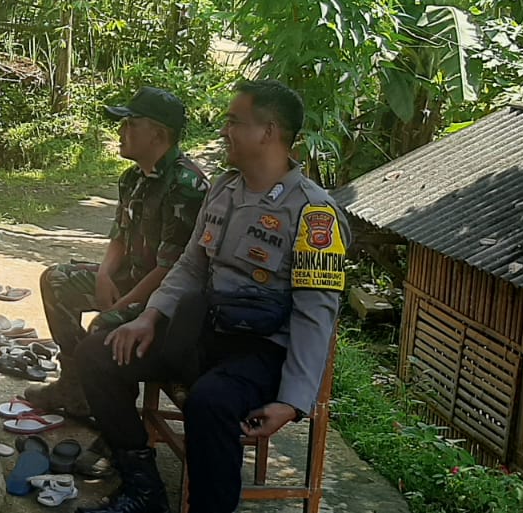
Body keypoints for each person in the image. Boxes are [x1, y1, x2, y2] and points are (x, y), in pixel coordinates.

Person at [71, 80, 347, 513]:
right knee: (98, 354)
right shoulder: (224, 189)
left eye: (234, 122)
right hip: (205, 332)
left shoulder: (314, 213)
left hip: (262, 352)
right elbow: (191, 266)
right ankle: (144, 489)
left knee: (210, 403)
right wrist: (149, 317)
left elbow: (316, 314)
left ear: (268, 132)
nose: (223, 131)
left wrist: (293, 402)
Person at [25, 87, 209, 418]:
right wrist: (104, 275)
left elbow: (171, 269)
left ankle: (113, 413)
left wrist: (120, 305)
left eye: (130, 124)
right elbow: (120, 237)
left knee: (102, 328)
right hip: (133, 279)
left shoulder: (185, 185)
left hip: (164, 299)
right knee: (56, 280)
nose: (121, 132)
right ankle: (74, 385)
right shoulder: (132, 178)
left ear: (158, 134)